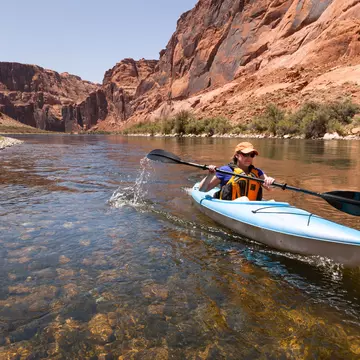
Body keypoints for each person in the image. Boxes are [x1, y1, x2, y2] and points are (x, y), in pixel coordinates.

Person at [198, 142, 275, 201]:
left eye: (251, 155)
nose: (249, 158)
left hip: (251, 207)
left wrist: (270, 181)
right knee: (244, 199)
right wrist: (210, 175)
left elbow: (270, 189)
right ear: (236, 155)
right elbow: (202, 190)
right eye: (245, 154)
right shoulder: (225, 170)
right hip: (230, 206)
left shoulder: (258, 172)